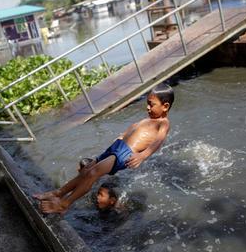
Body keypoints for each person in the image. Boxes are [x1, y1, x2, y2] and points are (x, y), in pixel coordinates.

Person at [34, 83, 174, 215]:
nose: (148, 108)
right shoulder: (147, 120)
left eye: (152, 104)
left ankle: (64, 204)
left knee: (93, 173)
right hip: (116, 148)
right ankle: (58, 193)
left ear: (165, 106)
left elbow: (159, 140)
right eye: (147, 103)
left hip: (125, 154)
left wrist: (142, 156)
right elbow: (134, 129)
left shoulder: (163, 123)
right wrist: (122, 136)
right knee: (86, 170)